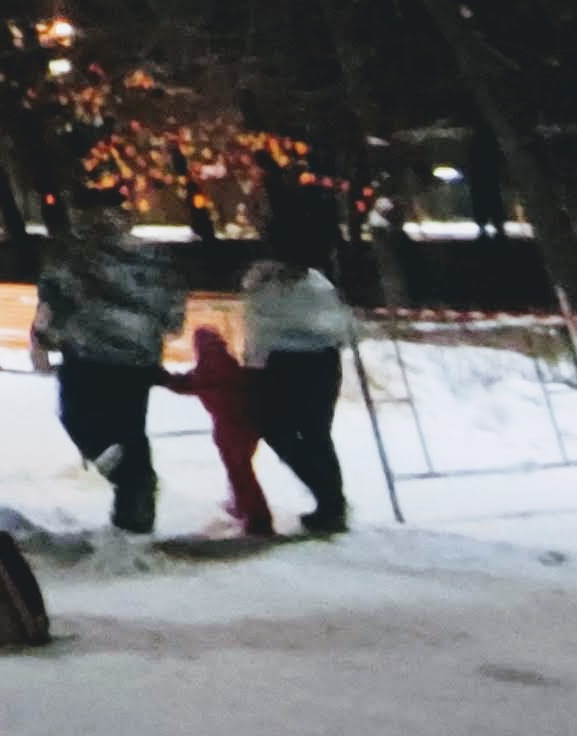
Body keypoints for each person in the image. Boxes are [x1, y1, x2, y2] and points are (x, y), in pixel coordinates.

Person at [37, 194, 178, 537]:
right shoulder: (153, 257)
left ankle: (129, 485)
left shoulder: (73, 256)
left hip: (89, 353)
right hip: (136, 357)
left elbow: (52, 302)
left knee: (79, 417)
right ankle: (134, 510)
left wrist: (41, 341)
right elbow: (172, 310)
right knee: (128, 429)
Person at [239, 222, 356, 535]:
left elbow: (258, 329)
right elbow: (340, 326)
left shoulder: (267, 286)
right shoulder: (316, 284)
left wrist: (253, 364)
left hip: (286, 363)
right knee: (314, 434)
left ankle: (330, 501)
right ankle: (331, 503)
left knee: (281, 430)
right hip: (321, 362)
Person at [160, 322, 276, 538]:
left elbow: (183, 384)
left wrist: (158, 376)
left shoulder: (206, 371)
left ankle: (258, 520)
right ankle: (243, 507)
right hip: (249, 427)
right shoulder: (233, 367)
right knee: (242, 470)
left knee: (240, 473)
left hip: (229, 430)